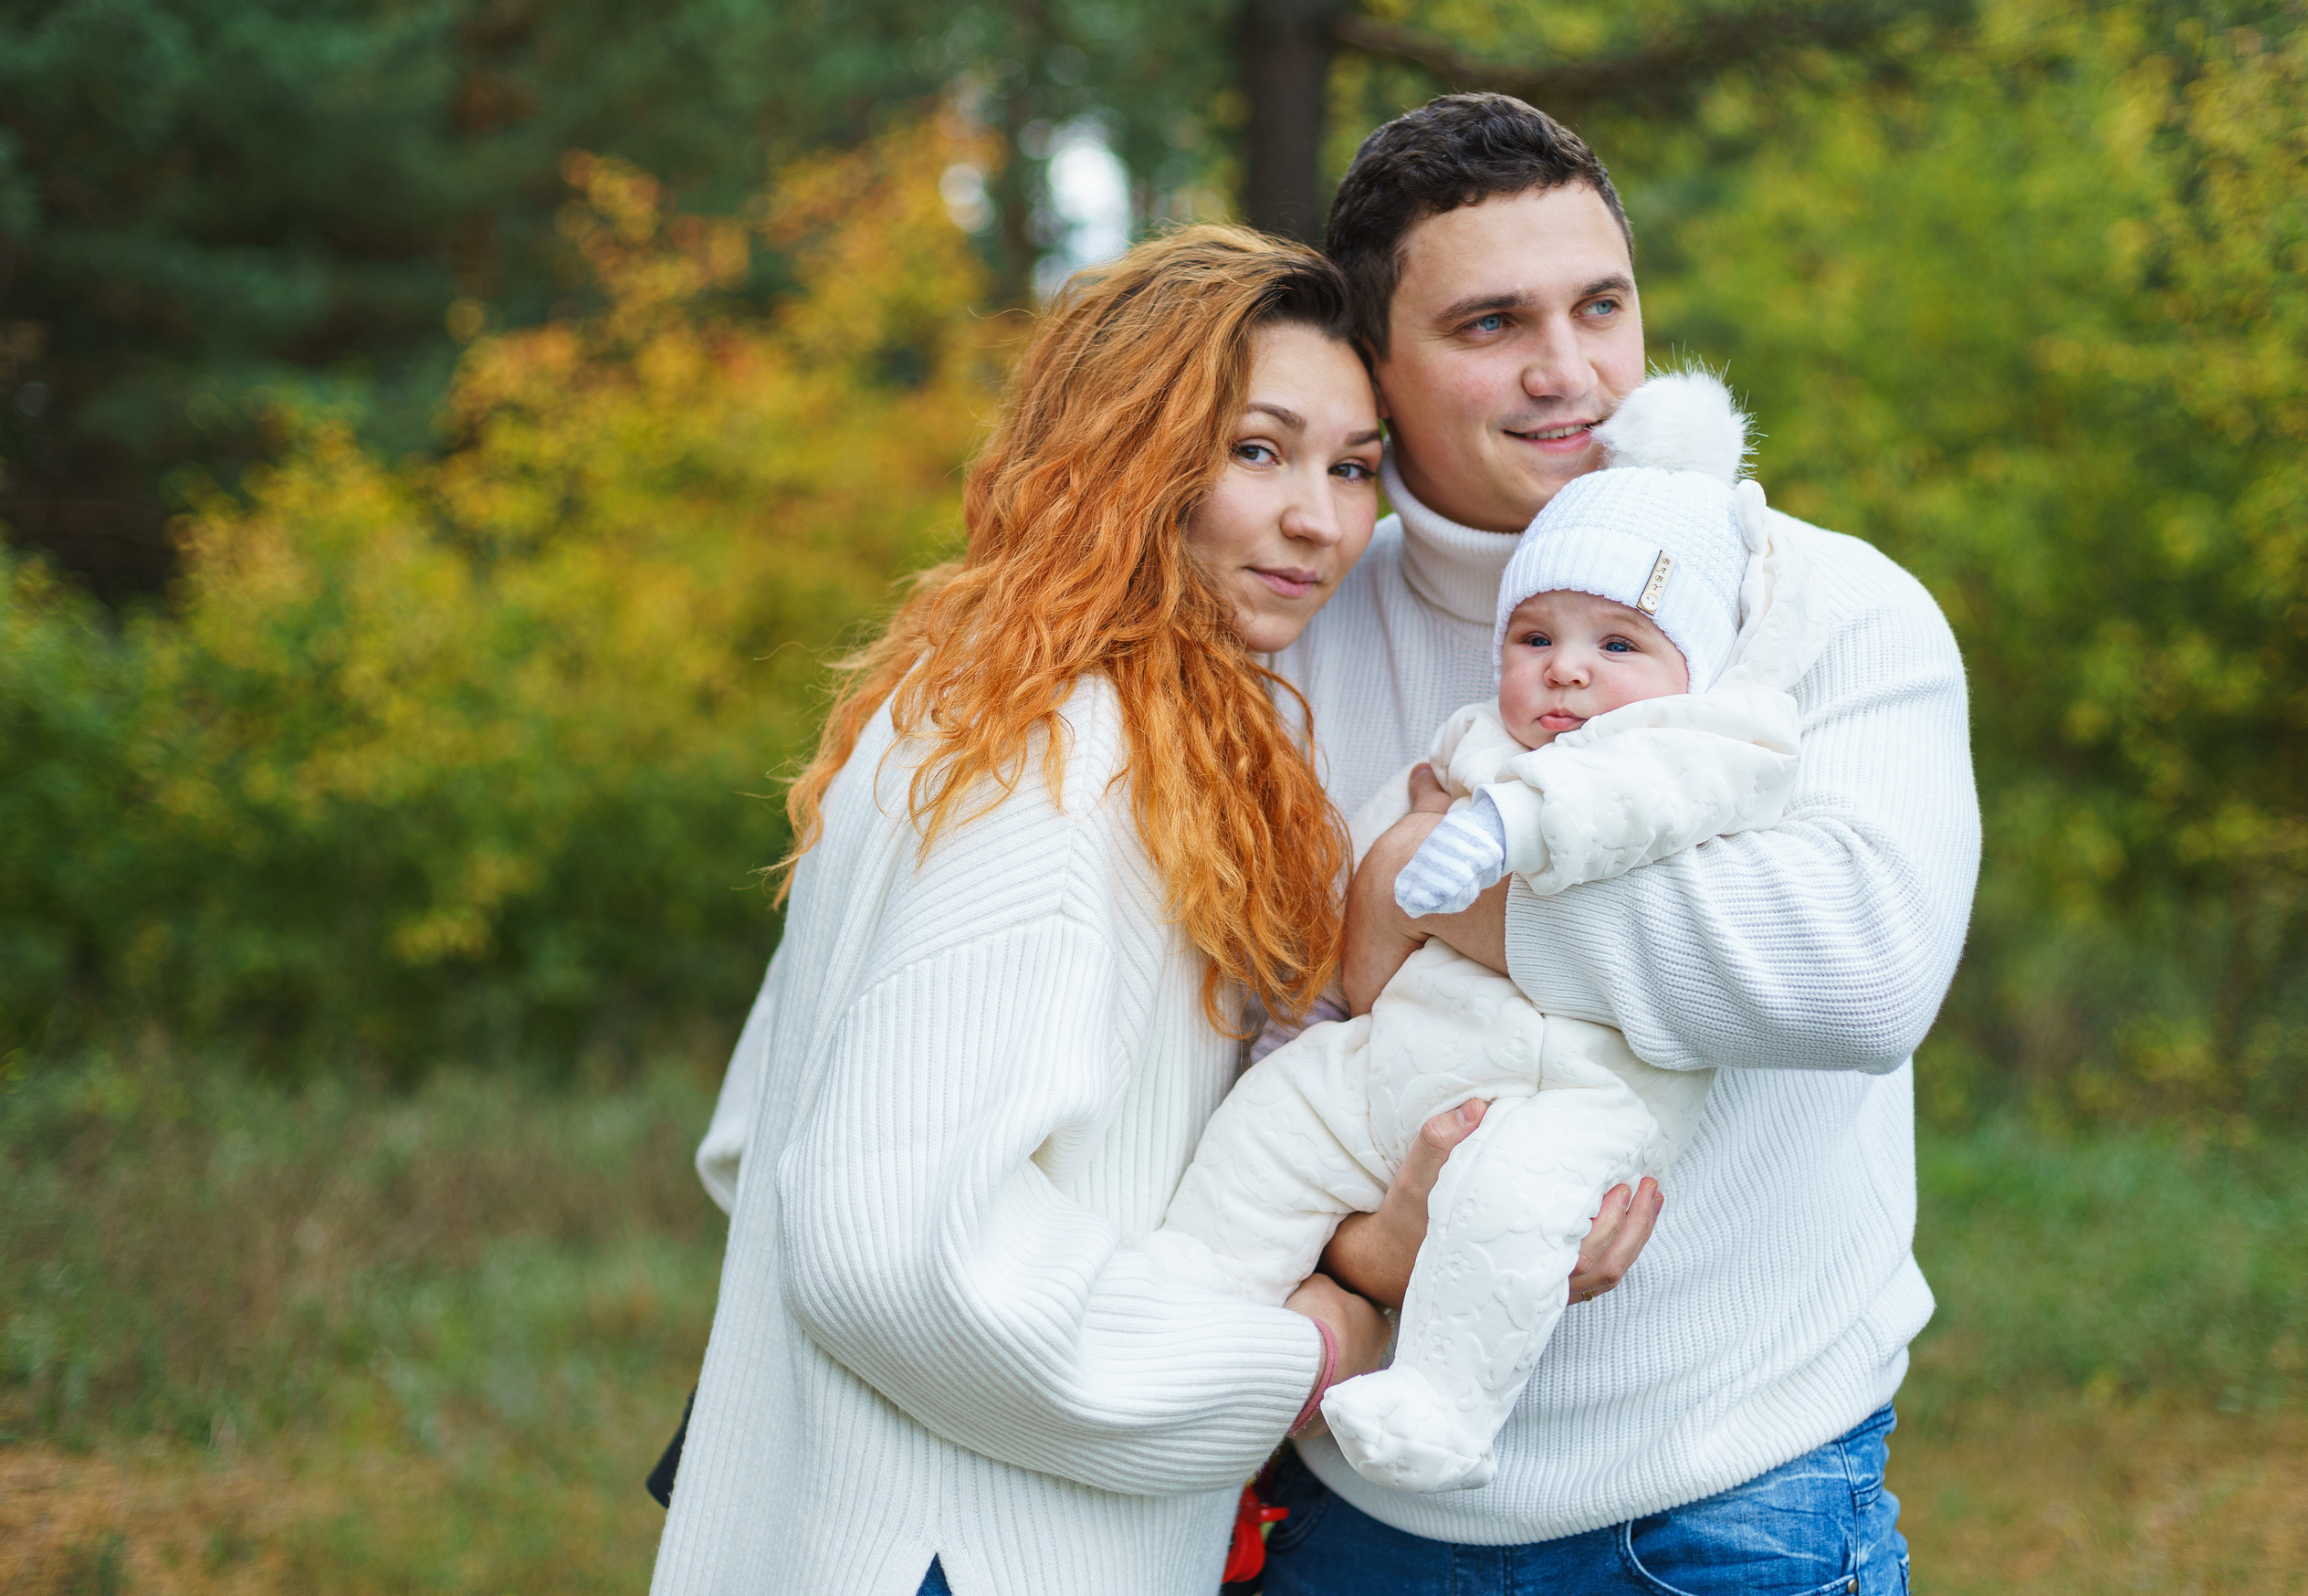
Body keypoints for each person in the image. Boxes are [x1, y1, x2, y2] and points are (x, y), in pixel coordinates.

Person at [651, 226, 1648, 1596]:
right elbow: (896, 1254)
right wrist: (1302, 1351)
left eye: (1354, 468)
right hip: (969, 1551)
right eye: (1258, 450)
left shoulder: (966, 706)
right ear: (1128, 453)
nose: (1322, 519)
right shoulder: (1064, 760)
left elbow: (753, 1138)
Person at [1251, 94, 1981, 1594]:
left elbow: (1852, 970)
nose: (1567, 371)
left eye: (1601, 305)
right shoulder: (1291, 631)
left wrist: (1426, 891)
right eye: (1490, 322)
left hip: (1735, 1494)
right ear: (1375, 371)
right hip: (1360, 1512)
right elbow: (1237, 1049)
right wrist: (1385, 1248)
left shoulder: (1827, 607)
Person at [1149, 370, 1831, 1497]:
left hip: (1567, 1099)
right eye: (1536, 634)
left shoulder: (1706, 741)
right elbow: (1381, 866)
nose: (1566, 667)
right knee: (1276, 1111)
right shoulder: (1476, 737)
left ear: (1688, 668)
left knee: (1507, 1207)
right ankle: (1194, 1288)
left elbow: (1636, 804)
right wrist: (1374, 890)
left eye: (1619, 643)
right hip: (1401, 1056)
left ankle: (1441, 1407)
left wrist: (1514, 821)